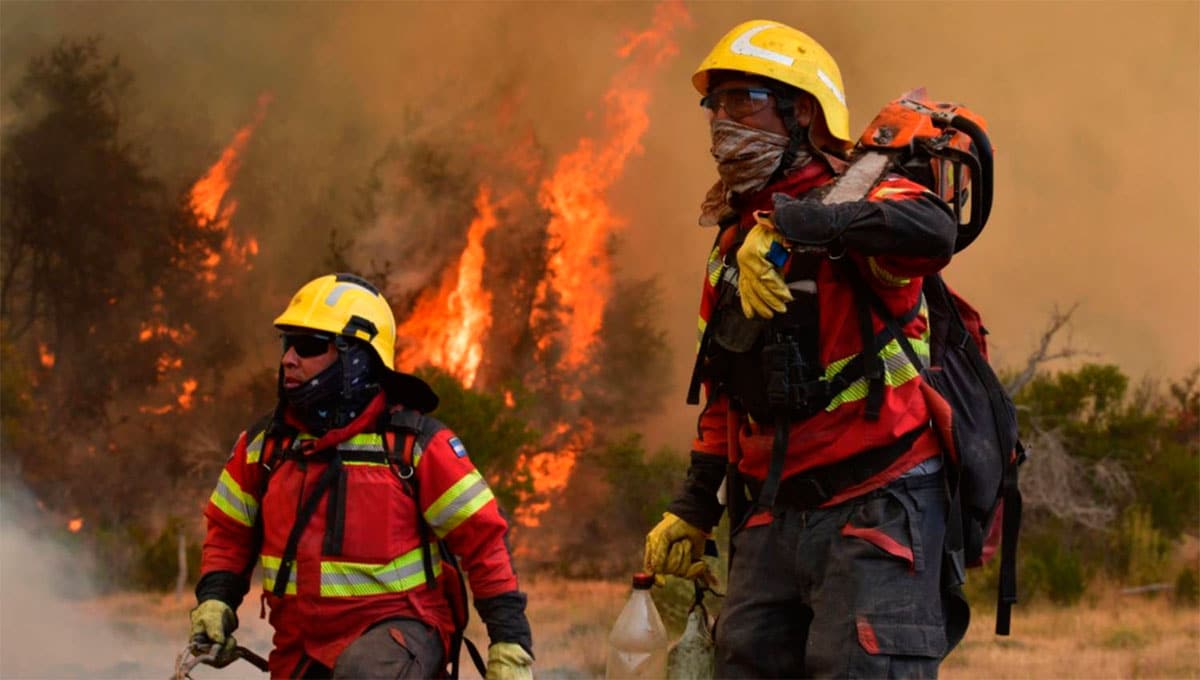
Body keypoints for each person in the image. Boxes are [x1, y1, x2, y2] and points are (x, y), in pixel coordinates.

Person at [643, 19, 965, 678]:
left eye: (744, 100)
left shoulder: (865, 199)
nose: (721, 121)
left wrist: (796, 223)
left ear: (803, 113)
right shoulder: (732, 248)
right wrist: (695, 506)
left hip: (876, 507)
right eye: (715, 104)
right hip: (769, 517)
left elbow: (933, 228)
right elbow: (723, 396)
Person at [189, 273, 534, 680]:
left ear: (357, 358)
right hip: (301, 647)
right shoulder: (264, 447)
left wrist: (510, 644)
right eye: (287, 344)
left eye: (310, 345)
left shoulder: (416, 447)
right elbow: (229, 533)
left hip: (398, 636)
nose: (288, 360)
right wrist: (216, 601)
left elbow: (484, 544)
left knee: (362, 673)